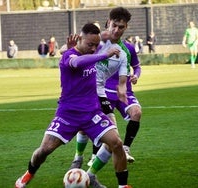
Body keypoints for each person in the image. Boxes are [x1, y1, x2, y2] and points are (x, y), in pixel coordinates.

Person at [15, 23, 131, 188]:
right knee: (44, 150)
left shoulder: (92, 51)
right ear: (80, 39)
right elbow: (77, 62)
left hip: (92, 113)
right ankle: (28, 174)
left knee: (116, 143)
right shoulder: (69, 57)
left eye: (95, 45)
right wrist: (103, 55)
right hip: (68, 114)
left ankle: (123, 186)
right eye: (89, 44)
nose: (93, 48)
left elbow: (103, 41)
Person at [69, 7, 134, 188]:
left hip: (100, 92)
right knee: (83, 129)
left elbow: (122, 81)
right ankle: (78, 158)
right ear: (108, 22)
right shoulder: (96, 40)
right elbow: (68, 52)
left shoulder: (123, 53)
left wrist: (122, 91)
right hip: (83, 91)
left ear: (125, 28)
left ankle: (90, 175)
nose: (116, 30)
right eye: (114, 25)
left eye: (121, 27)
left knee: (114, 140)